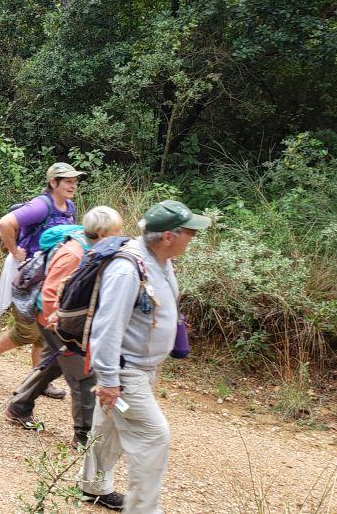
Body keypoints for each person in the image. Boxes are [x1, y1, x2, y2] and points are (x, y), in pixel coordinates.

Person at [77, 200, 210, 512]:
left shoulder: (160, 262)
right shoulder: (127, 269)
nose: (193, 238)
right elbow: (107, 329)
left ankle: (93, 484)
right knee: (153, 436)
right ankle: (143, 509)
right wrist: (109, 381)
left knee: (108, 428)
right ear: (169, 236)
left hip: (140, 368)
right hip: (125, 373)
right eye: (190, 232)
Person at [3, 206, 125, 448]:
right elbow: (50, 293)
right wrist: (61, 332)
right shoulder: (74, 252)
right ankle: (83, 437)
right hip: (54, 321)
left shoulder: (93, 248)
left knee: (53, 364)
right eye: (116, 232)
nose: (120, 236)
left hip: (63, 321)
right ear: (101, 232)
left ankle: (19, 407)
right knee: (83, 377)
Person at [0, 162, 84, 395]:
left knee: (46, 327)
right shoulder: (40, 205)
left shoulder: (69, 207)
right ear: (53, 182)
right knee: (27, 330)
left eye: (74, 181)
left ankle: (39, 379)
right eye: (67, 181)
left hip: (49, 274)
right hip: (27, 273)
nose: (72, 185)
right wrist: (14, 250)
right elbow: (6, 223)